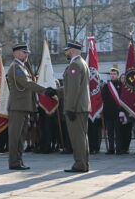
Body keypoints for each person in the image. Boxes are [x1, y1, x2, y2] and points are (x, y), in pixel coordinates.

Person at [48, 40, 91, 172]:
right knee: (82, 137)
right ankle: (84, 163)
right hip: (82, 107)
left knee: (77, 137)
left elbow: (73, 89)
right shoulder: (82, 63)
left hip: (76, 108)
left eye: (66, 50)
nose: (65, 52)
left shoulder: (75, 65)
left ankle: (80, 164)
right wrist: (56, 91)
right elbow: (71, 87)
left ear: (71, 50)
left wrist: (70, 108)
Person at [6, 42, 46, 170]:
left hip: (23, 106)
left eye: (27, 52)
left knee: (21, 136)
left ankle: (18, 160)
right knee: (15, 136)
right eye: (24, 52)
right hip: (17, 106)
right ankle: (14, 162)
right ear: (16, 53)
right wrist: (45, 90)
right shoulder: (15, 67)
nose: (26, 54)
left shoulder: (22, 67)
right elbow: (27, 83)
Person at [101, 67, 122, 154]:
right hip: (108, 112)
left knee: (118, 132)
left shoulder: (121, 85)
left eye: (114, 74)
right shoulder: (106, 86)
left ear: (117, 75)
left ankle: (119, 149)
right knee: (110, 132)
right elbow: (103, 98)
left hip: (118, 112)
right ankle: (111, 149)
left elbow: (123, 99)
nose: (112, 76)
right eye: (111, 74)